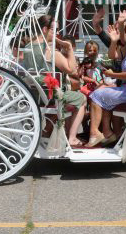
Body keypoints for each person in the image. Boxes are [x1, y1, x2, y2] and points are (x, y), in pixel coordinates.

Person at [21, 15, 87, 147]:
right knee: (82, 98)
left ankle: (48, 132)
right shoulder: (49, 49)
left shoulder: (28, 47)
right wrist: (69, 48)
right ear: (45, 29)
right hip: (50, 96)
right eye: (55, 30)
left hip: (33, 94)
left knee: (68, 96)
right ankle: (72, 137)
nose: (57, 34)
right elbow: (72, 70)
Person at [85, 22, 126, 148]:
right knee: (100, 93)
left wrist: (113, 75)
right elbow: (112, 56)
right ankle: (106, 132)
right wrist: (113, 41)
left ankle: (95, 133)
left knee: (96, 94)